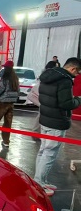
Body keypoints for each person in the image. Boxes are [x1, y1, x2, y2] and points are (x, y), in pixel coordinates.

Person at [34, 57, 81, 196]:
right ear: (73, 69)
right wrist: (78, 100)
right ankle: (39, 183)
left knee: (43, 151)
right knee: (49, 153)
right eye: (77, 72)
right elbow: (66, 103)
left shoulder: (48, 76)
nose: (77, 75)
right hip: (56, 122)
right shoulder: (65, 80)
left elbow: (41, 97)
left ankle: (39, 180)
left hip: (45, 119)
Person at [0, 60, 20, 148]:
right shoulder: (15, 78)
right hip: (11, 104)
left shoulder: (5, 78)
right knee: (8, 123)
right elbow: (18, 91)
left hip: (3, 103)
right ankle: (6, 141)